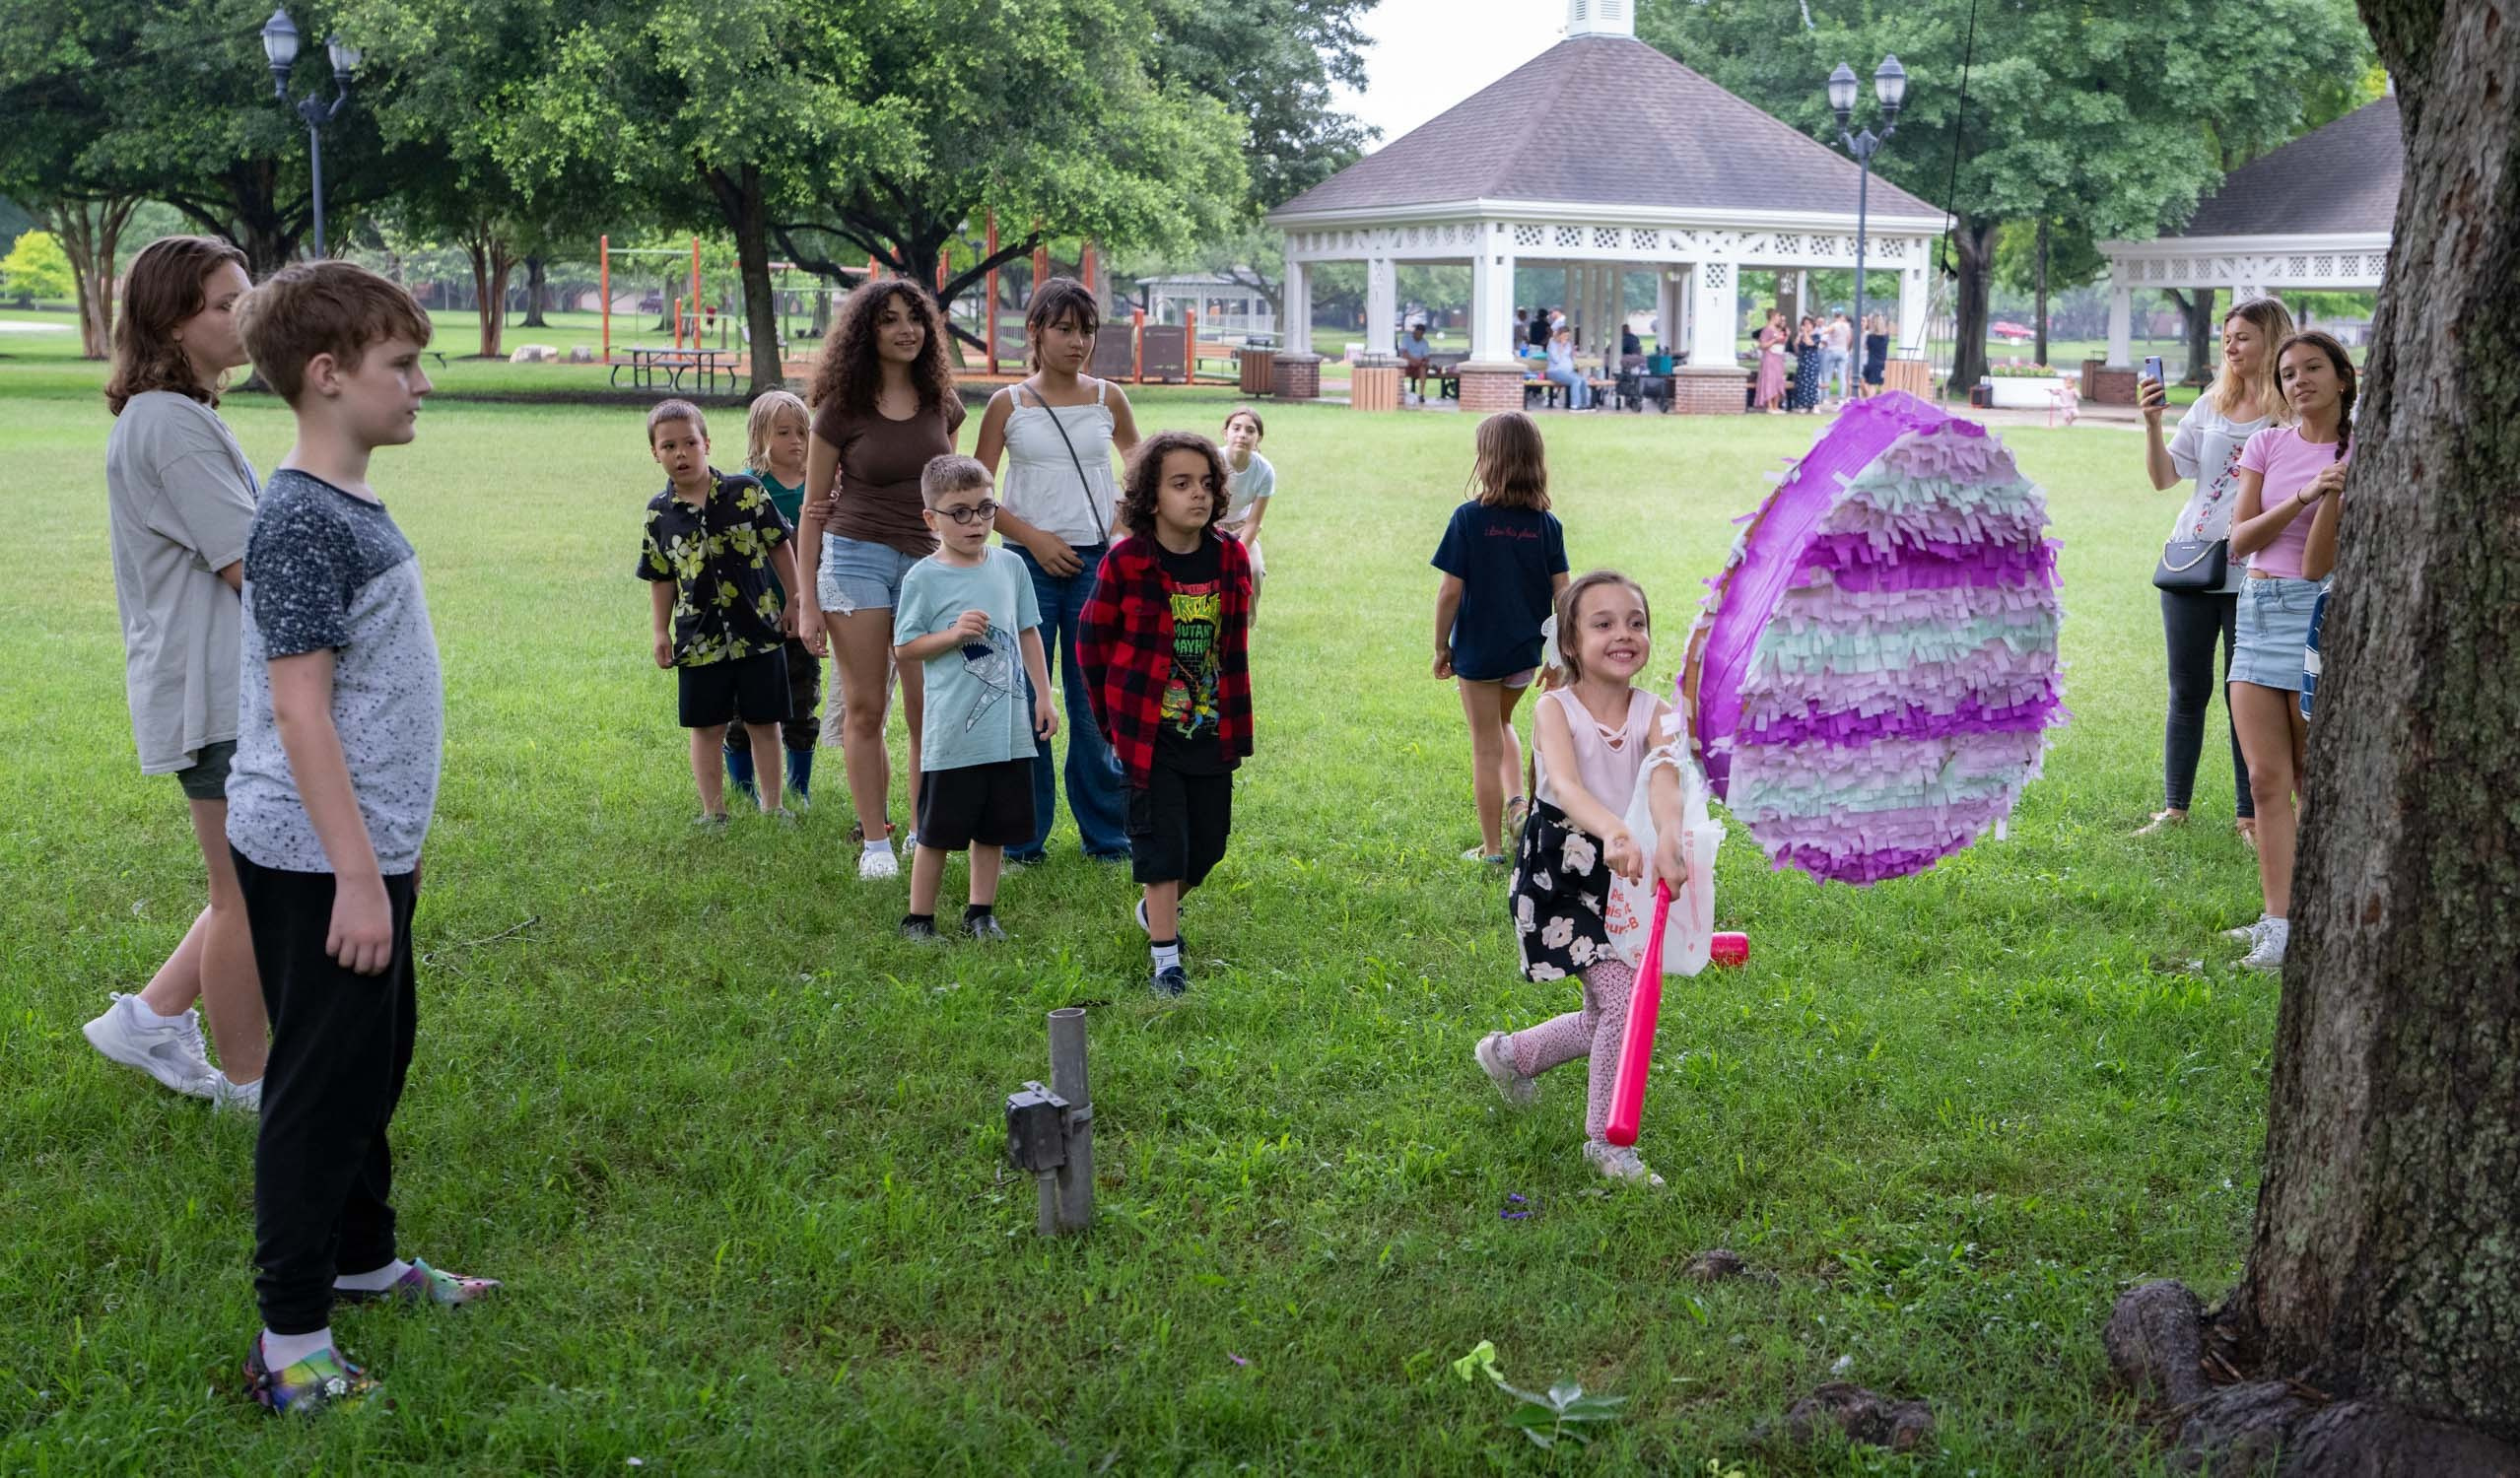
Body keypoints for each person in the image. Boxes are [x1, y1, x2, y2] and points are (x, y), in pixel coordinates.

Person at [227, 261, 498, 1415]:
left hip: (363, 855)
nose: (422, 385)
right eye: (403, 365)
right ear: (329, 377)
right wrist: (353, 877)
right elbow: (299, 710)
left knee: (371, 1064)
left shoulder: (342, 505)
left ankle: (364, 1259)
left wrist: (389, 859)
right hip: (313, 859)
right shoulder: (296, 517)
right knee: (320, 1085)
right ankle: (290, 1341)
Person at [85, 235, 271, 1110]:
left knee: (251, 885)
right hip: (217, 694)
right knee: (244, 897)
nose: (245, 314)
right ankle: (249, 1081)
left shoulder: (177, 416)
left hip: (220, 688)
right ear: (171, 319)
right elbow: (252, 569)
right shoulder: (170, 425)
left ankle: (151, 1019)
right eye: (224, 303)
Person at [1473, 571, 1692, 1187]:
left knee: (1606, 1012)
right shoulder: (1553, 708)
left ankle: (1509, 1055)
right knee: (1623, 999)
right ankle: (1606, 1142)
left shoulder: (1657, 714)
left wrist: (1667, 839)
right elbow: (1565, 786)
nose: (1623, 634)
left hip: (1619, 878)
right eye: (1603, 624)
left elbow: (1664, 786)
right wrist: (1614, 830)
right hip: (1559, 875)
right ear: (1569, 643)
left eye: (1636, 622)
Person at [794, 279, 965, 878]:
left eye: (914, 318)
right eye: (889, 319)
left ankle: (925, 831)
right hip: (854, 557)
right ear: (867, 332)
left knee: (927, 710)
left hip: (926, 565)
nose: (905, 330)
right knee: (866, 708)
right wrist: (807, 602)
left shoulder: (942, 400)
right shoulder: (840, 408)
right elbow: (813, 510)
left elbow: (951, 487)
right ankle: (875, 844)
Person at [973, 277, 1142, 867]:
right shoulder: (1008, 403)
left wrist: (1119, 527)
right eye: (1065, 329)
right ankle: (1023, 837)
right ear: (1037, 332)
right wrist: (1035, 540)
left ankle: (1108, 835)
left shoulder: (1108, 399)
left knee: (1096, 702)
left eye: (1087, 330)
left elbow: (1141, 474)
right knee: (1024, 699)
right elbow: (977, 496)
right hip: (1026, 566)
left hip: (1097, 563)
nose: (1078, 342)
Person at [1078, 433, 1255, 997]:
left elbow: (1232, 641)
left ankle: (1157, 912)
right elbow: (1091, 642)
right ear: (1151, 497)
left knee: (1209, 844)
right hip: (1148, 734)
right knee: (1161, 844)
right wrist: (1113, 724)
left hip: (1210, 726)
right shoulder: (1127, 562)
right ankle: (1166, 960)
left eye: (1206, 484)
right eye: (1181, 485)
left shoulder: (1229, 557)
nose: (1197, 495)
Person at [2135, 298, 2294, 846]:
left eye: (2244, 337)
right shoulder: (2210, 403)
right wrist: (2153, 423)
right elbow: (2163, 479)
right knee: (2187, 689)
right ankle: (2173, 806)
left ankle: (2249, 816)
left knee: (2245, 696)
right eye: (2227, 337)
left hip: (2257, 570)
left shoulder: (2288, 413)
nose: (2231, 346)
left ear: (2271, 340)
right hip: (2192, 562)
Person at [2222, 331, 2355, 972]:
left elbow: (2315, 562)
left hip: (2314, 615)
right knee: (2263, 779)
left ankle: (2316, 918)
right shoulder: (2267, 443)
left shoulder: (2358, 449)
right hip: (2255, 608)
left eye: (2312, 368)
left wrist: (2334, 490)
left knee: (2308, 779)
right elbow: (2237, 540)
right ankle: (2276, 927)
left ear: (2340, 377)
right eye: (2288, 372)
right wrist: (2305, 493)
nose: (2298, 380)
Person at [890, 455, 1058, 943]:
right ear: (931, 519)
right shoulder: (925, 577)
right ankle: (918, 920)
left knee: (995, 828)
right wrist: (953, 635)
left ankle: (980, 912)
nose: (975, 523)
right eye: (958, 512)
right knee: (937, 831)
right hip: (952, 735)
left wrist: (1043, 696)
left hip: (1006, 733)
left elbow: (1028, 632)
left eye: (985, 509)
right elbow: (904, 647)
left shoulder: (1011, 566)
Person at [638, 399, 801, 825]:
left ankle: (773, 805)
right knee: (706, 728)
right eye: (668, 446)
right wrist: (660, 631)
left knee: (765, 722)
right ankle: (713, 811)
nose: (680, 453)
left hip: (758, 629)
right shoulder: (659, 514)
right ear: (655, 453)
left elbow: (779, 545)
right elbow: (661, 577)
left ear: (706, 443)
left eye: (689, 442)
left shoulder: (746, 492)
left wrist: (796, 598)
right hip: (698, 638)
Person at [1432, 412, 1571, 865]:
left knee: (1484, 743)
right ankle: (1517, 804)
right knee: (1503, 723)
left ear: (1488, 460)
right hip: (1523, 653)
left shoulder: (1469, 519)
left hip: (1477, 651)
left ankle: (1493, 849)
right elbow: (1564, 594)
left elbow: (1450, 591)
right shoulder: (1546, 524)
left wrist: (1440, 646)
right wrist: (1558, 655)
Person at [722, 390, 823, 809]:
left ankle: (799, 788)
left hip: (804, 615)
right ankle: (743, 788)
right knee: (743, 709)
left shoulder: (819, 487)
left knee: (802, 701)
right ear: (760, 435)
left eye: (803, 432)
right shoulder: (746, 489)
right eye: (783, 432)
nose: (796, 441)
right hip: (754, 618)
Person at [1219, 407, 1275, 618]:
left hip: (1242, 527)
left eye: (1250, 431)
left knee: (1253, 570)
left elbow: (1254, 522)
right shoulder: (1212, 460)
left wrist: (1236, 550)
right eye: (1236, 428)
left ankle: (1244, 624)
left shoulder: (1264, 471)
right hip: (1208, 524)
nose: (1242, 434)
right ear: (1225, 433)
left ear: (1258, 438)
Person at [1543, 326, 1592, 411]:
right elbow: (1556, 359)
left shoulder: (1568, 344)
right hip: (1555, 372)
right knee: (1576, 381)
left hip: (1568, 372)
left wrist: (1575, 353)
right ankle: (1575, 405)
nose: (1566, 338)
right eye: (1565, 336)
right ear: (1559, 335)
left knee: (1583, 381)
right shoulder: (1552, 343)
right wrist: (1561, 346)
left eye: (1567, 336)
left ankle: (1584, 404)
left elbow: (1570, 357)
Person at [1754, 309, 1788, 412]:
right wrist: (1774, 340)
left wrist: (1785, 337)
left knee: (1778, 381)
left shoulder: (1777, 330)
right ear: (1773, 317)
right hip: (1769, 358)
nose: (1779, 319)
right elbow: (1762, 345)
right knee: (1770, 381)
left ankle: (1776, 406)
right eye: (1778, 316)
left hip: (1779, 358)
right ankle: (1769, 406)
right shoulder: (1767, 330)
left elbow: (1781, 343)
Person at [1791, 314, 1824, 412]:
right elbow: (1796, 347)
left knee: (1812, 383)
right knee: (1803, 383)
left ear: (1813, 325)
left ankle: (1814, 405)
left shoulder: (1816, 336)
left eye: (1808, 324)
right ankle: (1804, 404)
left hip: (1812, 362)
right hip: (1803, 362)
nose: (1806, 326)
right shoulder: (1801, 336)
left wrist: (1805, 332)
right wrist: (1799, 334)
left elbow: (1810, 343)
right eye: (1804, 324)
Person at [1399, 321, 1434, 403]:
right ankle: (1400, 392)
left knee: (1423, 369)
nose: (1418, 336)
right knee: (1403, 367)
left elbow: (1426, 357)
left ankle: (1421, 394)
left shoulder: (1424, 343)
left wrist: (1422, 362)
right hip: (1407, 363)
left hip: (1418, 365)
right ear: (1414, 331)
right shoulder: (1406, 338)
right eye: (1417, 333)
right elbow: (1404, 354)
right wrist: (1414, 360)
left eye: (1421, 334)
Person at [1824, 311, 1854, 401]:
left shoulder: (1834, 325)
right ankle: (1841, 398)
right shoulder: (1847, 326)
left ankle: (1826, 398)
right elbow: (1849, 339)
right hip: (1843, 351)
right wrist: (1846, 349)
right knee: (1842, 375)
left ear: (1835, 317)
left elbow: (1826, 332)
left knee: (1828, 374)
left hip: (1832, 350)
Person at [1861, 313, 1889, 396]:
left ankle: (1870, 403)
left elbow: (1866, 347)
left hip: (1872, 362)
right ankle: (1883, 404)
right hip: (1883, 363)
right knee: (1882, 385)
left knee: (1871, 385)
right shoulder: (1886, 336)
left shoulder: (1870, 337)